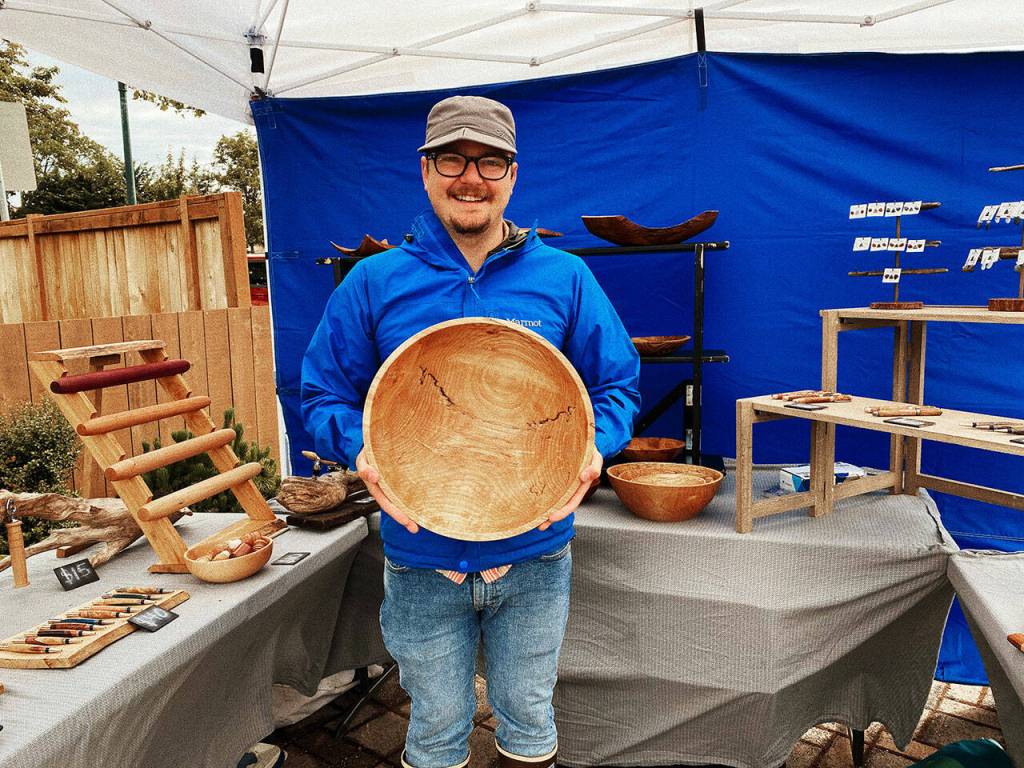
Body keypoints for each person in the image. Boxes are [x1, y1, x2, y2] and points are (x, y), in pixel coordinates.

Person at [301, 95, 640, 768]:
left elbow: (616, 385)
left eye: (490, 162)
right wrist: (362, 450)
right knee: (434, 727)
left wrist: (592, 447)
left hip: (536, 550)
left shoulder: (564, 276)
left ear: (513, 175)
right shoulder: (374, 281)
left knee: (529, 718)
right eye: (453, 158)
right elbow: (323, 394)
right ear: (426, 170)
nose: (471, 177)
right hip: (422, 551)